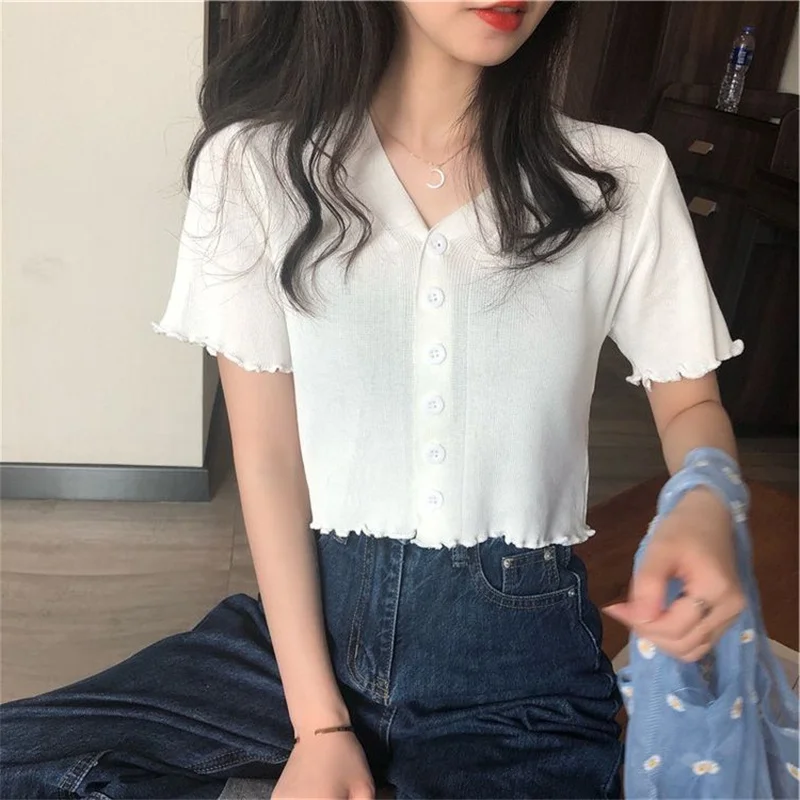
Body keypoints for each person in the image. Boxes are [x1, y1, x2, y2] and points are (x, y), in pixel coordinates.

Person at [1, 2, 748, 798]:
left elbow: (688, 403)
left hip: (515, 670)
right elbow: (269, 457)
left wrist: (707, 497)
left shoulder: (619, 176)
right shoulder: (255, 165)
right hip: (302, 631)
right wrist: (319, 726)